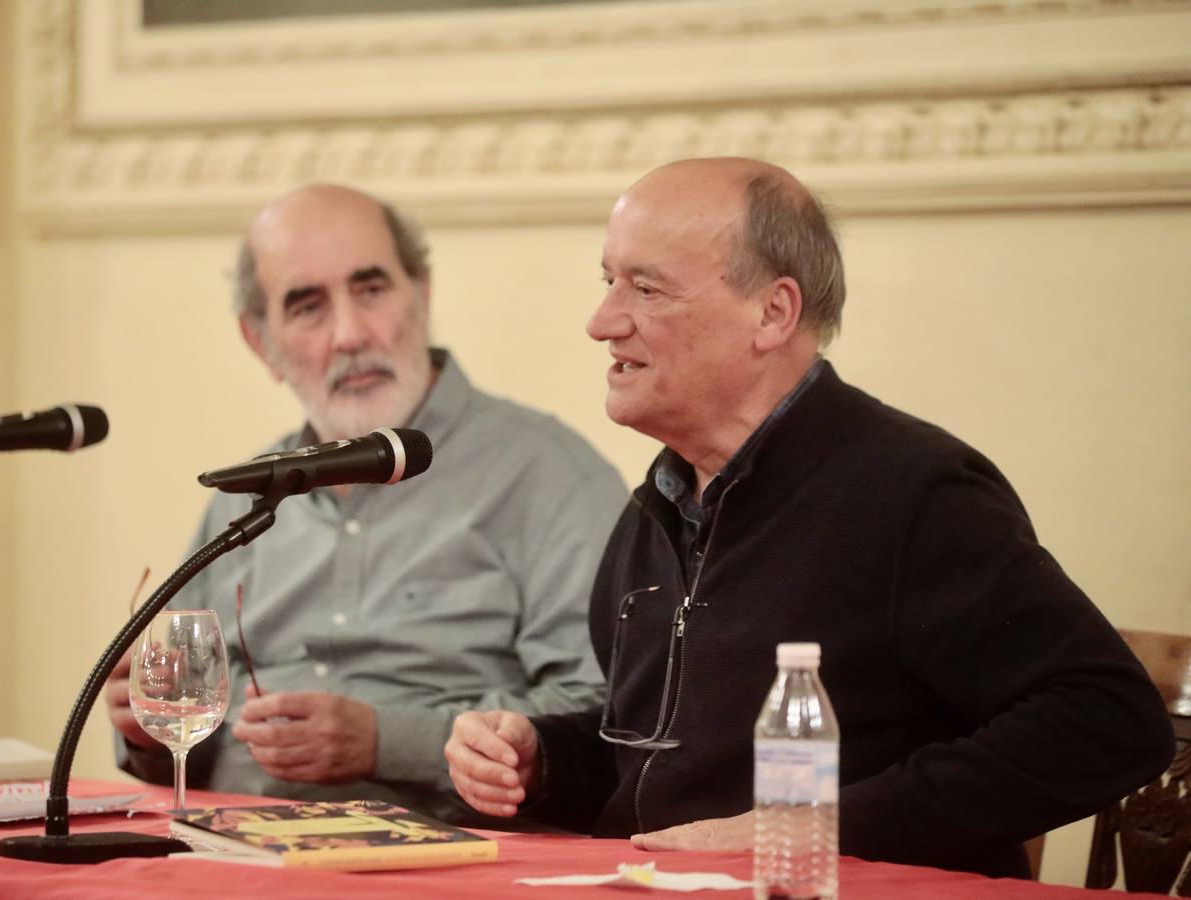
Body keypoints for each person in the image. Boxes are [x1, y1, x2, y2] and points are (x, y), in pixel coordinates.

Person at [444, 157, 1175, 876]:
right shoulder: (660, 505)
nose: (602, 322)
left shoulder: (914, 492)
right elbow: (659, 766)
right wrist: (542, 759)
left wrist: (812, 828)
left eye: (646, 288)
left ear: (772, 313)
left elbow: (1109, 720)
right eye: (609, 282)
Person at [106, 184, 626, 823]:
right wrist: (146, 731)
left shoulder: (549, 476)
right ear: (259, 341)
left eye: (372, 290)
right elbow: (184, 726)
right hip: (229, 851)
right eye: (307, 307)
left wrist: (387, 741)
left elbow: (600, 718)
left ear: (423, 294)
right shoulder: (243, 500)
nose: (350, 335)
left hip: (445, 866)